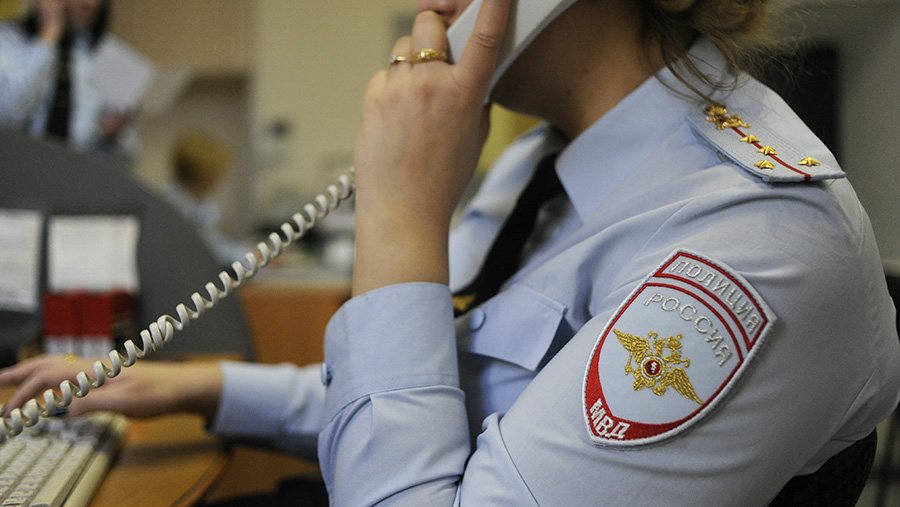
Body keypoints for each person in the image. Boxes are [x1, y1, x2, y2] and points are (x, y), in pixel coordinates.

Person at [2, 0, 899, 505]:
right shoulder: (539, 164)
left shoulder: (753, 243)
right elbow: (427, 391)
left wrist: (399, 212)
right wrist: (205, 387)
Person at [0, 0, 136, 153]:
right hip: (13, 160)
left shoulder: (104, 56)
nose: (90, 4)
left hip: (74, 165)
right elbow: (10, 116)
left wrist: (110, 136)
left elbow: (127, 148)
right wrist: (49, 34)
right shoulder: (7, 40)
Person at [162, 132, 250, 267]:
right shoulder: (175, 206)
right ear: (204, 175)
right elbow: (209, 250)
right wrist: (249, 257)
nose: (221, 180)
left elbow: (214, 240)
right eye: (217, 173)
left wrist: (248, 253)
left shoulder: (198, 202)